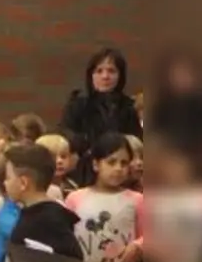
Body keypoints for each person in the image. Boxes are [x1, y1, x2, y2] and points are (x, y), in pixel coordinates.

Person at [63, 133, 144, 262]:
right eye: (111, 162)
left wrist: (138, 245)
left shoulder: (136, 200)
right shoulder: (75, 198)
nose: (118, 168)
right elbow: (65, 237)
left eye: (124, 163)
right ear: (96, 164)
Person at [59, 48, 144, 185]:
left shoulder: (128, 107)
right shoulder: (78, 104)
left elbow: (136, 140)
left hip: (120, 171)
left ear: (120, 76)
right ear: (91, 75)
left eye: (111, 71)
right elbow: (66, 133)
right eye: (99, 71)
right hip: (84, 171)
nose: (105, 76)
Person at [4, 142, 84, 261]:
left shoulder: (41, 223)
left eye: (8, 177)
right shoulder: (50, 214)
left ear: (23, 183)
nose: (5, 183)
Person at [149, 49, 202, 177]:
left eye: (185, 74)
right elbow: (158, 132)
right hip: (174, 153)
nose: (181, 79)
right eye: (176, 75)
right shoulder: (163, 104)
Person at [36, 132, 79, 197]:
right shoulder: (36, 189)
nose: (59, 161)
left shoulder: (72, 186)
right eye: (53, 157)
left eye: (63, 157)